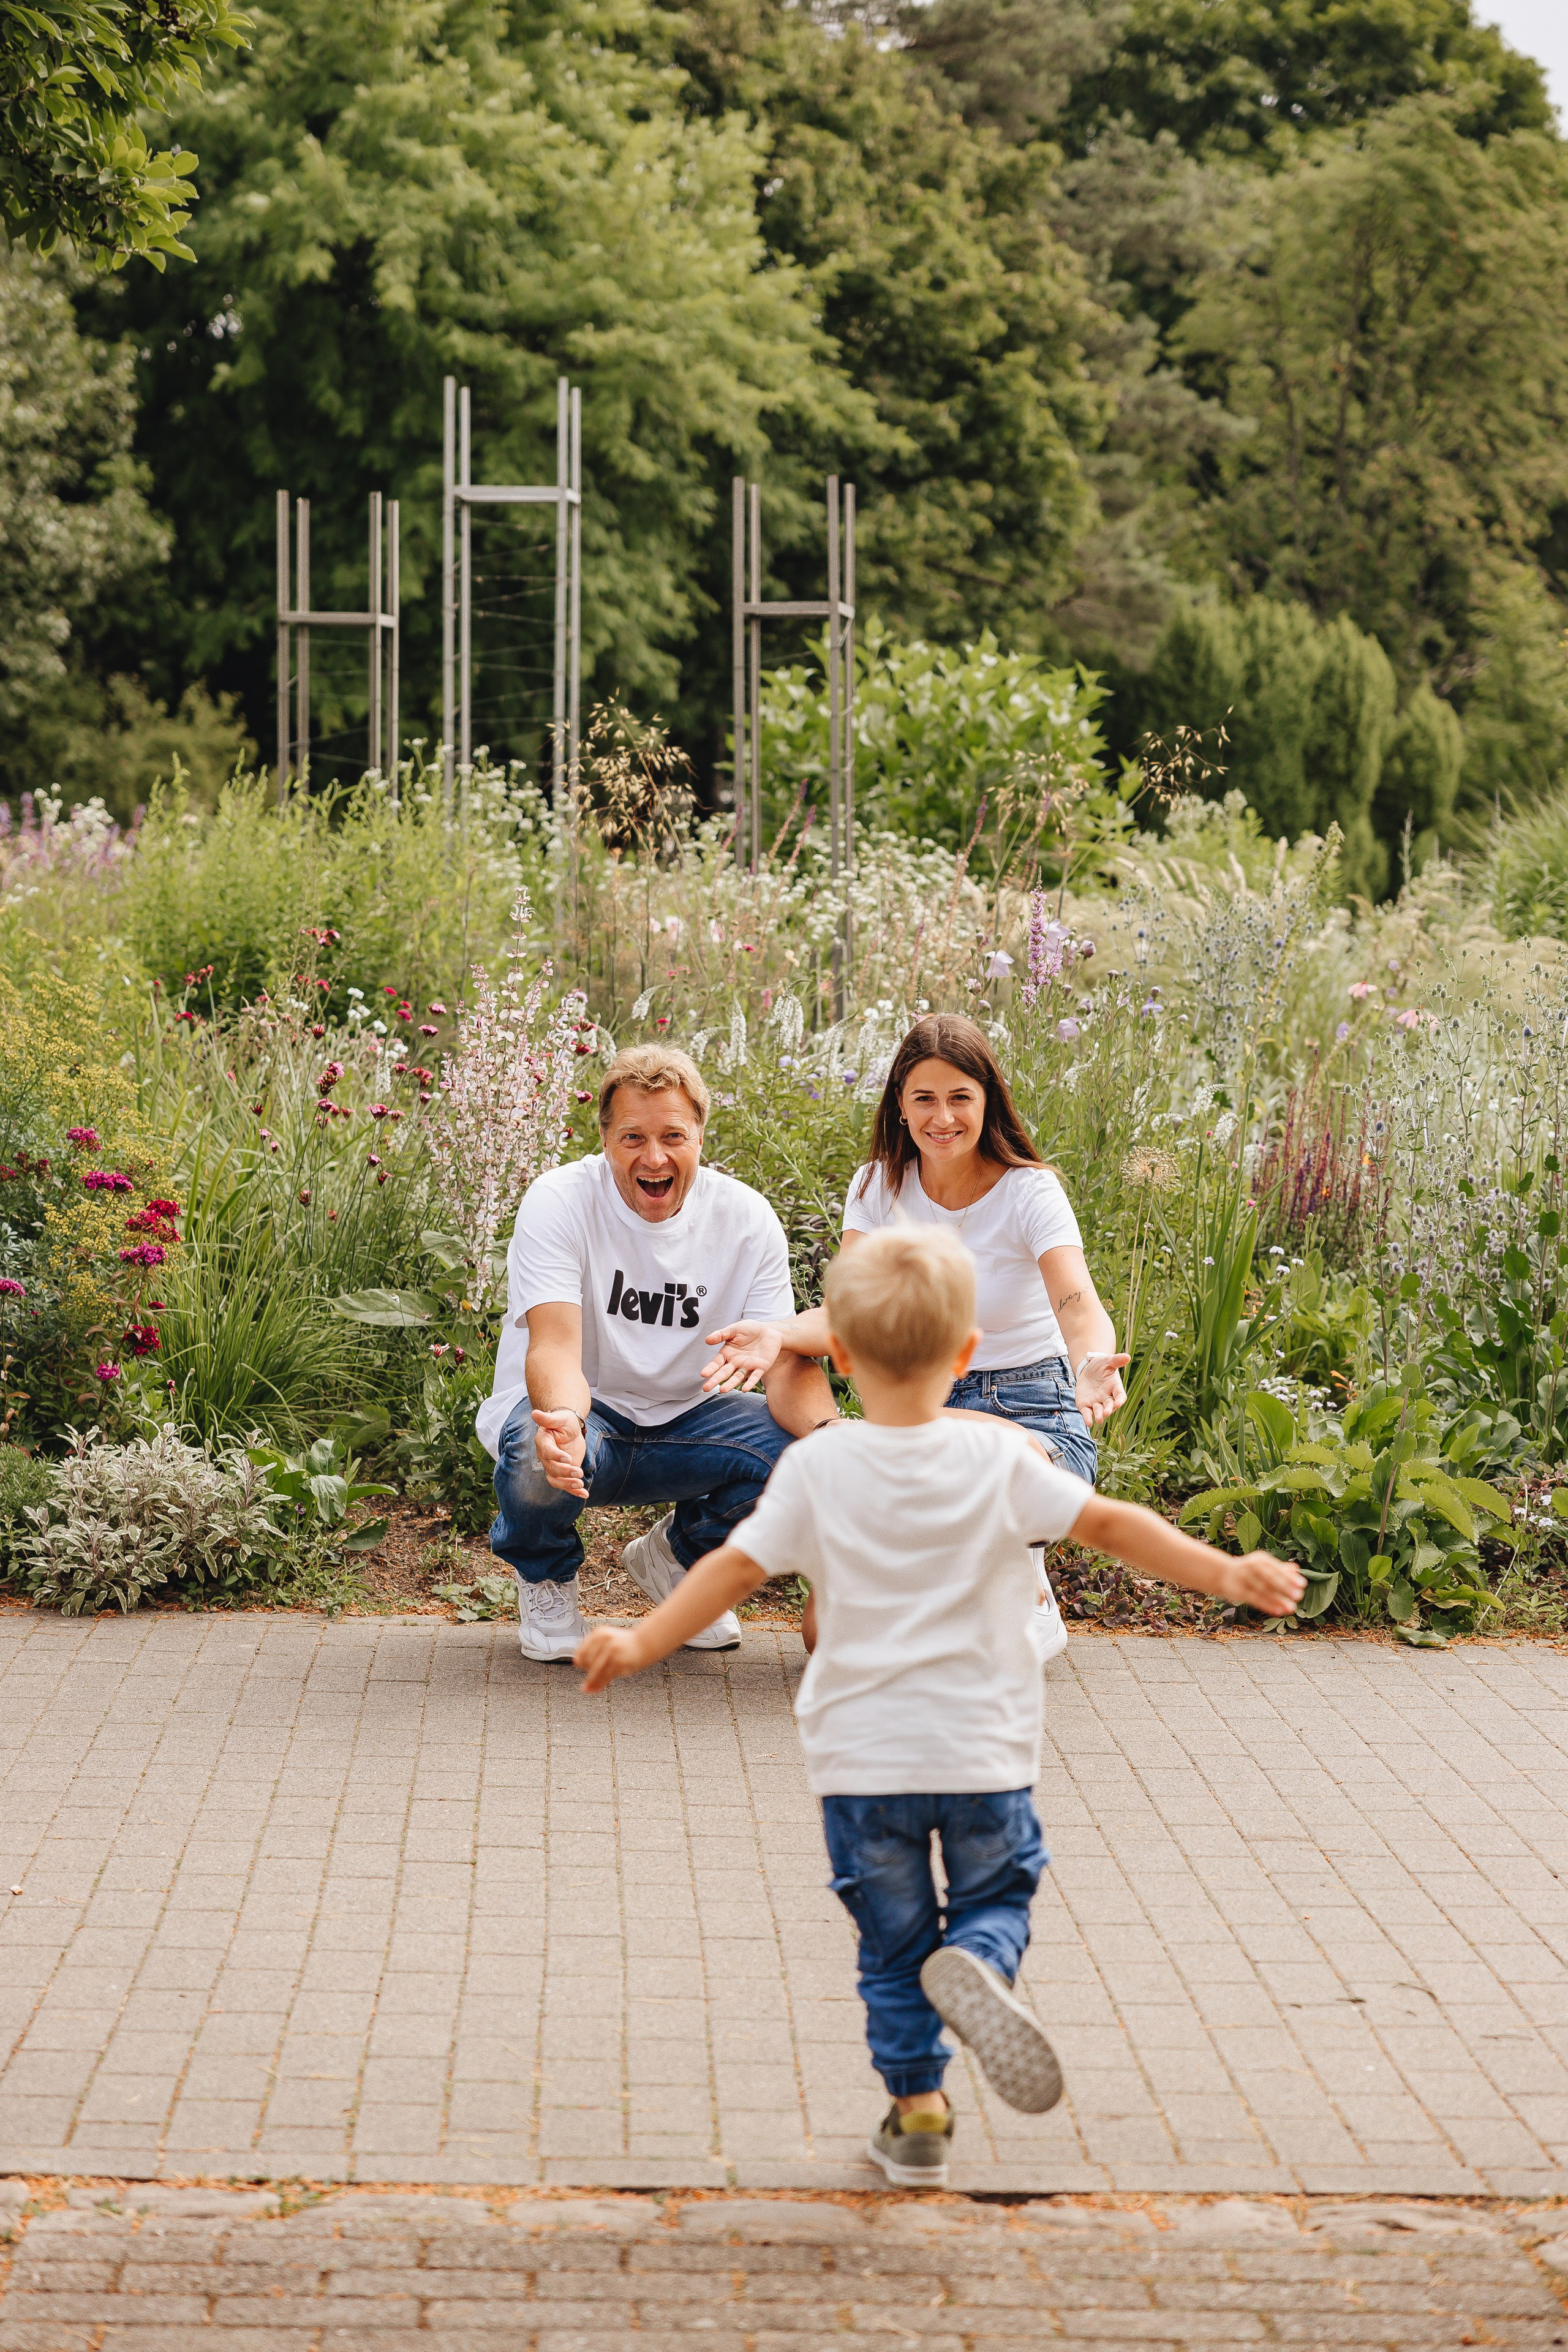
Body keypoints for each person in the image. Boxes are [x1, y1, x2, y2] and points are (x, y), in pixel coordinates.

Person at [576, 1226, 1304, 2188]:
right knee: (995, 1896)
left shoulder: (819, 1468)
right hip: (981, 1754)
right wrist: (1226, 1571)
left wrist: (641, 1641)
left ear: (840, 1358)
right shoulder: (997, 1460)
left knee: (892, 1949)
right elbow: (1111, 1524)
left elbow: (731, 1570)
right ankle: (984, 1965)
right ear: (965, 1355)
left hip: (864, 1765)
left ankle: (918, 2115)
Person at [701, 1012, 1126, 1664]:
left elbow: (1075, 1303)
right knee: (828, 1635)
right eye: (924, 1098)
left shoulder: (1029, 1191)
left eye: (960, 1097)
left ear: (988, 1101)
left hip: (1030, 1417)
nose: (943, 1117)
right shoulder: (879, 1186)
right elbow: (847, 1314)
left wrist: (1091, 1361)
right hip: (916, 1404)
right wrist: (775, 1334)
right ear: (899, 1103)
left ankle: (1024, 1585)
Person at [477, 1044, 837, 1662]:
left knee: (803, 1455)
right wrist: (564, 1420)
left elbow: (783, 1363)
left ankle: (680, 1561)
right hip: (589, 1416)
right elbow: (555, 1345)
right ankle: (545, 1577)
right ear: (604, 1140)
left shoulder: (747, 1219)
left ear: (699, 1137)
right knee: (538, 1446)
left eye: (673, 1136)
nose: (654, 1157)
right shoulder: (560, 1200)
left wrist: (835, 1441)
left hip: (692, 1423)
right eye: (632, 1138)